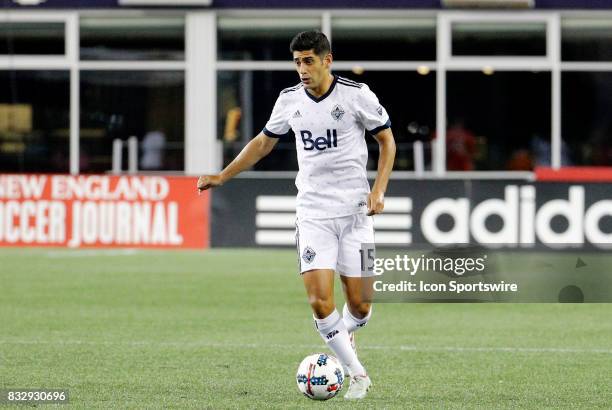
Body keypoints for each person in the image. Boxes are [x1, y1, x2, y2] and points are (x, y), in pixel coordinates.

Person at [197, 30, 395, 400]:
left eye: (308, 61)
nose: (302, 69)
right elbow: (262, 143)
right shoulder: (289, 100)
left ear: (327, 61)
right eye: (297, 62)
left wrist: (378, 189)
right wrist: (223, 175)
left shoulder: (357, 95)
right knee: (321, 302)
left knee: (362, 307)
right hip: (313, 213)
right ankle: (357, 373)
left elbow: (386, 139)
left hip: (356, 214)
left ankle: (345, 336)